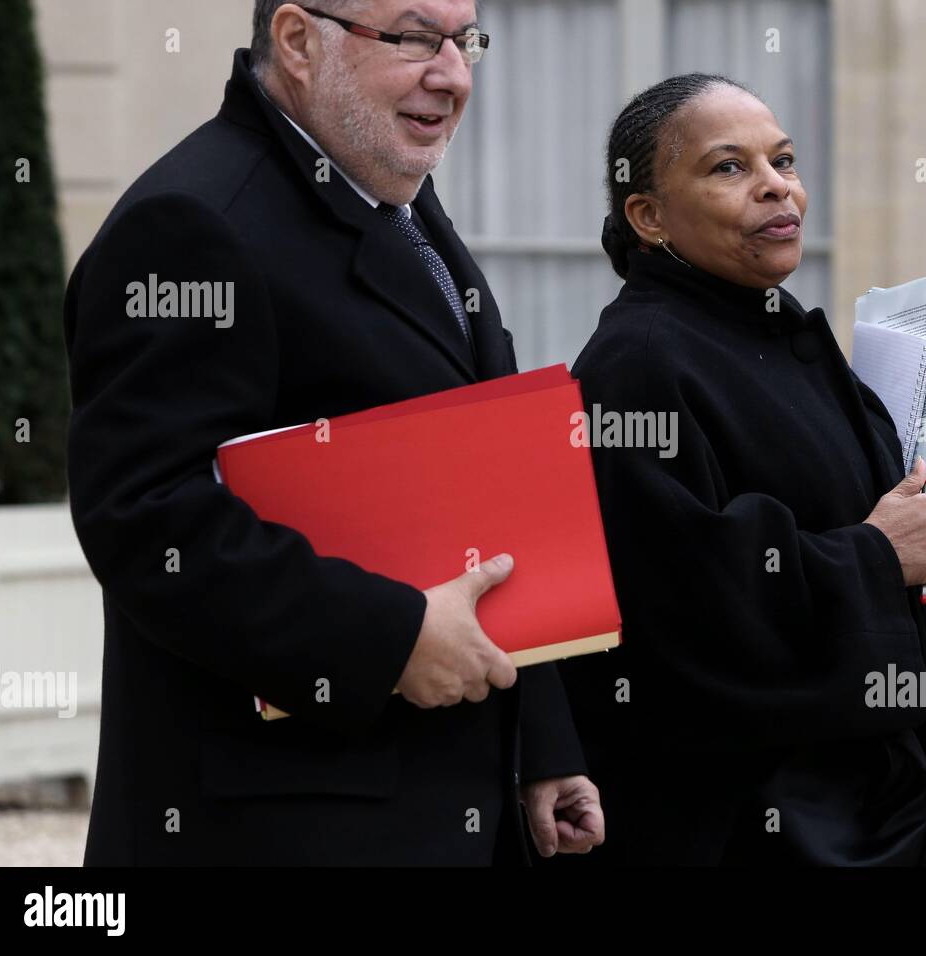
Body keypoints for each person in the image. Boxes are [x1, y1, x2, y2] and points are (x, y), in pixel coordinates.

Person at [63, 0, 602, 865]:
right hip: (282, 826)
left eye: (464, 42)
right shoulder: (192, 223)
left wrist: (541, 751)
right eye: (415, 38)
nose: (454, 74)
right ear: (299, 40)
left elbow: (485, 493)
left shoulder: (388, 194)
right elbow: (146, 520)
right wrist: (387, 640)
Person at [559, 73, 926, 865]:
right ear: (649, 216)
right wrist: (878, 557)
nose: (777, 187)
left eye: (783, 161)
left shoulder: (783, 337)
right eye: (728, 168)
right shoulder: (635, 366)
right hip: (755, 828)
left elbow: (865, 527)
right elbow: (677, 603)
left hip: (875, 806)